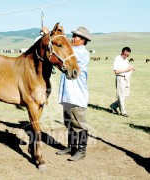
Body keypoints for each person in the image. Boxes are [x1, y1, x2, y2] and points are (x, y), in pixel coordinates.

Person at [56, 26, 91, 161]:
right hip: (68, 95)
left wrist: (52, 34)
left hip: (77, 96)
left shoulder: (80, 52)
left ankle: (81, 151)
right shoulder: (72, 50)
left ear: (82, 41)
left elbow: (62, 52)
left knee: (79, 124)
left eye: (76, 36)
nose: (73, 38)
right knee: (69, 123)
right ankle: (71, 147)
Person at [110, 47, 135, 117]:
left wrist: (131, 68)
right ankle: (123, 112)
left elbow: (127, 67)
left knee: (126, 95)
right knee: (121, 96)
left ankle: (113, 106)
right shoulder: (117, 58)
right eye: (125, 55)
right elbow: (116, 71)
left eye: (128, 55)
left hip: (126, 78)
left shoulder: (125, 59)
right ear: (122, 52)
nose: (126, 56)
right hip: (120, 78)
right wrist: (127, 69)